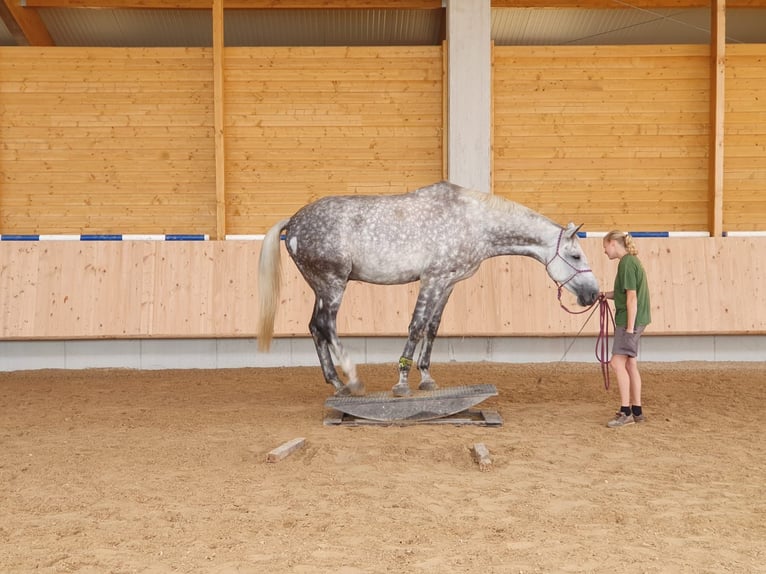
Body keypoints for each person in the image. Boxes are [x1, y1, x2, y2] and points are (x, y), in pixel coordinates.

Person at [602, 230, 651, 428]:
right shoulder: (630, 262)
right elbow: (625, 293)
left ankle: (625, 411)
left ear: (613, 243)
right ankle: (637, 410)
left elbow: (632, 297)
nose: (605, 251)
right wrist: (606, 294)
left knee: (616, 363)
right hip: (636, 318)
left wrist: (629, 328)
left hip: (629, 320)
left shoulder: (627, 264)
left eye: (605, 246)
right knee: (630, 364)